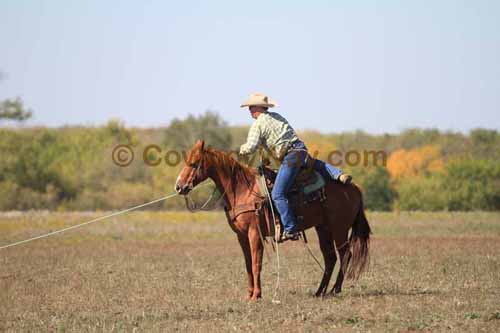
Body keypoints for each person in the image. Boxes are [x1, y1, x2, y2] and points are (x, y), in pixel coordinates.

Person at [239, 93, 352, 242]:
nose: (250, 110)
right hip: (300, 149)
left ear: (260, 107)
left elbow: (251, 146)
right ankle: (338, 174)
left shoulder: (258, 124)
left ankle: (290, 228)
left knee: (278, 194)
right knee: (314, 164)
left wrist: (241, 150)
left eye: (252, 106)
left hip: (290, 157)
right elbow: (282, 137)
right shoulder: (277, 116)